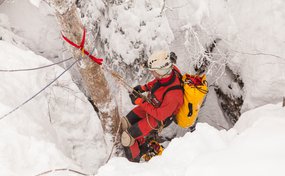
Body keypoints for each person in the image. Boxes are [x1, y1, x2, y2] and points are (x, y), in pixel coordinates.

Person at [120, 50, 184, 162]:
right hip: (152, 105)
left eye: (153, 71)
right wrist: (144, 88)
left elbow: (160, 115)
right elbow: (159, 82)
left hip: (159, 117)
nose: (152, 73)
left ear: (161, 71)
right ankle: (142, 144)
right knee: (125, 123)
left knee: (127, 138)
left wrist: (140, 101)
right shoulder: (168, 72)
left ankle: (134, 164)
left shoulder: (174, 94)